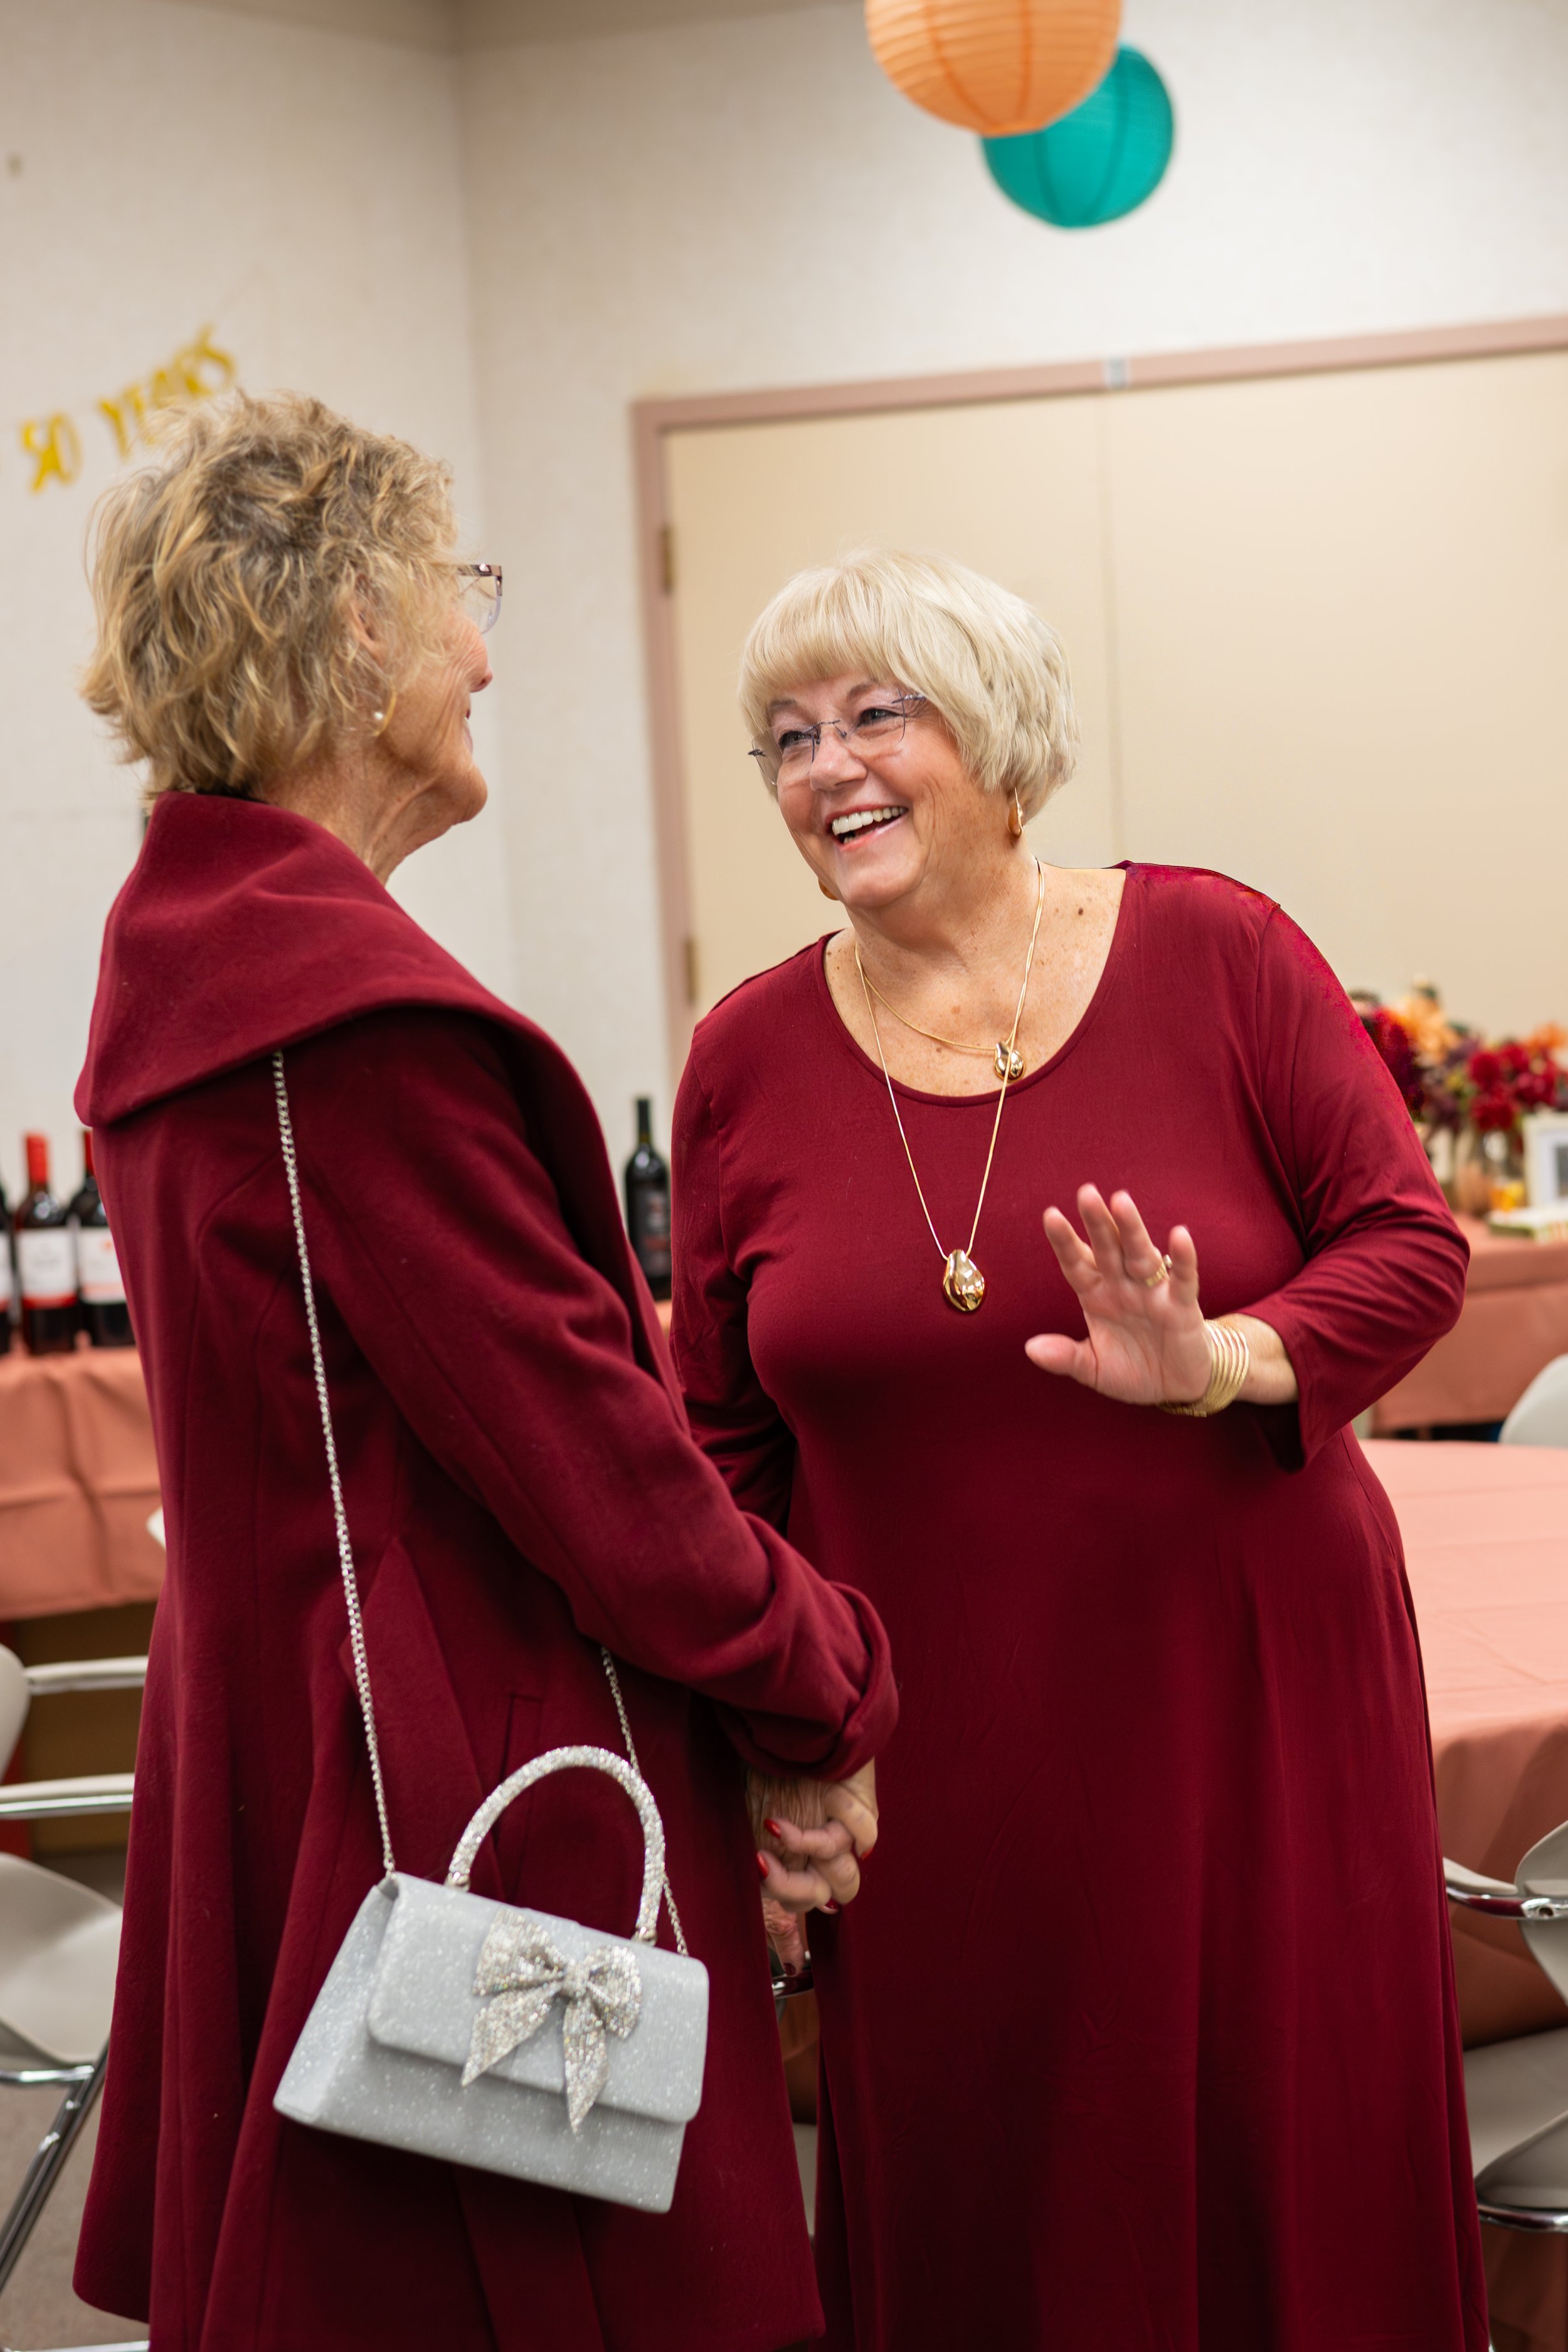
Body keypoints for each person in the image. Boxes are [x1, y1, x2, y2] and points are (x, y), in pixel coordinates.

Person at [72, 394, 893, 2352]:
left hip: (290, 1739)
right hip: (455, 1788)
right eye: (462, 597)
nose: (484, 652)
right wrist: (826, 1681)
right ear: (356, 634)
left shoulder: (190, 973)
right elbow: (607, 1488)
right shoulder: (359, 1031)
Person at [670, 548, 1488, 2352]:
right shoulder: (741, 1059)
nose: (827, 767)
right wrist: (758, 1725)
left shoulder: (1216, 950)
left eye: (879, 713)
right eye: (785, 739)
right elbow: (715, 1439)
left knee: (1275, 2140)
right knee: (992, 2173)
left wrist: (1229, 1360)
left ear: (1004, 738)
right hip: (930, 1743)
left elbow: (1406, 1243)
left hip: (1244, 1698)